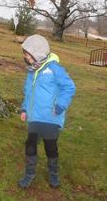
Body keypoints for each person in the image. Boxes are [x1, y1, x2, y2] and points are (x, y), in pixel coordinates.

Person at [18, 34, 76, 188]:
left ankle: (53, 174)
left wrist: (60, 106)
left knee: (50, 147)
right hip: (35, 117)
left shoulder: (54, 69)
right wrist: (24, 108)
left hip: (51, 117)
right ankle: (30, 174)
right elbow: (28, 92)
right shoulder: (32, 71)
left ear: (37, 53)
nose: (25, 56)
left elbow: (69, 87)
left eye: (27, 54)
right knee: (30, 145)